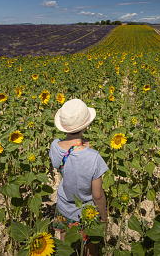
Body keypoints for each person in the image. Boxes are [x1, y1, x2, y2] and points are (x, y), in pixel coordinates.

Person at [49, 98, 108, 256]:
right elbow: (97, 195)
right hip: (85, 214)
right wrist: (104, 218)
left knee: (65, 245)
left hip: (63, 208)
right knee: (90, 250)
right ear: (86, 125)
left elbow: (67, 160)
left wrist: (81, 146)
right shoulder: (93, 158)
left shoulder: (54, 146)